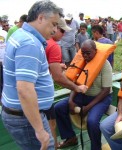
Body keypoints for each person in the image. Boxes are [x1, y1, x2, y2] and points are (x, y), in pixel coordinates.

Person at [1, 1, 64, 149]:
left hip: (24, 114)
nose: (55, 30)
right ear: (41, 18)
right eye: (53, 24)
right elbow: (24, 90)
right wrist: (40, 130)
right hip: (26, 119)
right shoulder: (29, 44)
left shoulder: (20, 34)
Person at [54, 39, 112, 150]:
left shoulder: (105, 64)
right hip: (83, 95)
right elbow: (76, 83)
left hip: (101, 97)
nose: (85, 56)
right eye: (83, 53)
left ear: (95, 51)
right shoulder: (81, 63)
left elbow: (105, 90)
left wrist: (88, 108)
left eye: (88, 53)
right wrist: (71, 101)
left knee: (92, 121)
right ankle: (70, 138)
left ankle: (95, 147)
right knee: (59, 107)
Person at [45, 17, 88, 149]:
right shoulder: (53, 46)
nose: (64, 34)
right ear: (55, 28)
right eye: (62, 31)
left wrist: (56, 65)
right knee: (52, 119)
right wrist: (76, 89)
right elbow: (58, 77)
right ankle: (62, 141)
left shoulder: (45, 43)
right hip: (44, 93)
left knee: (50, 120)